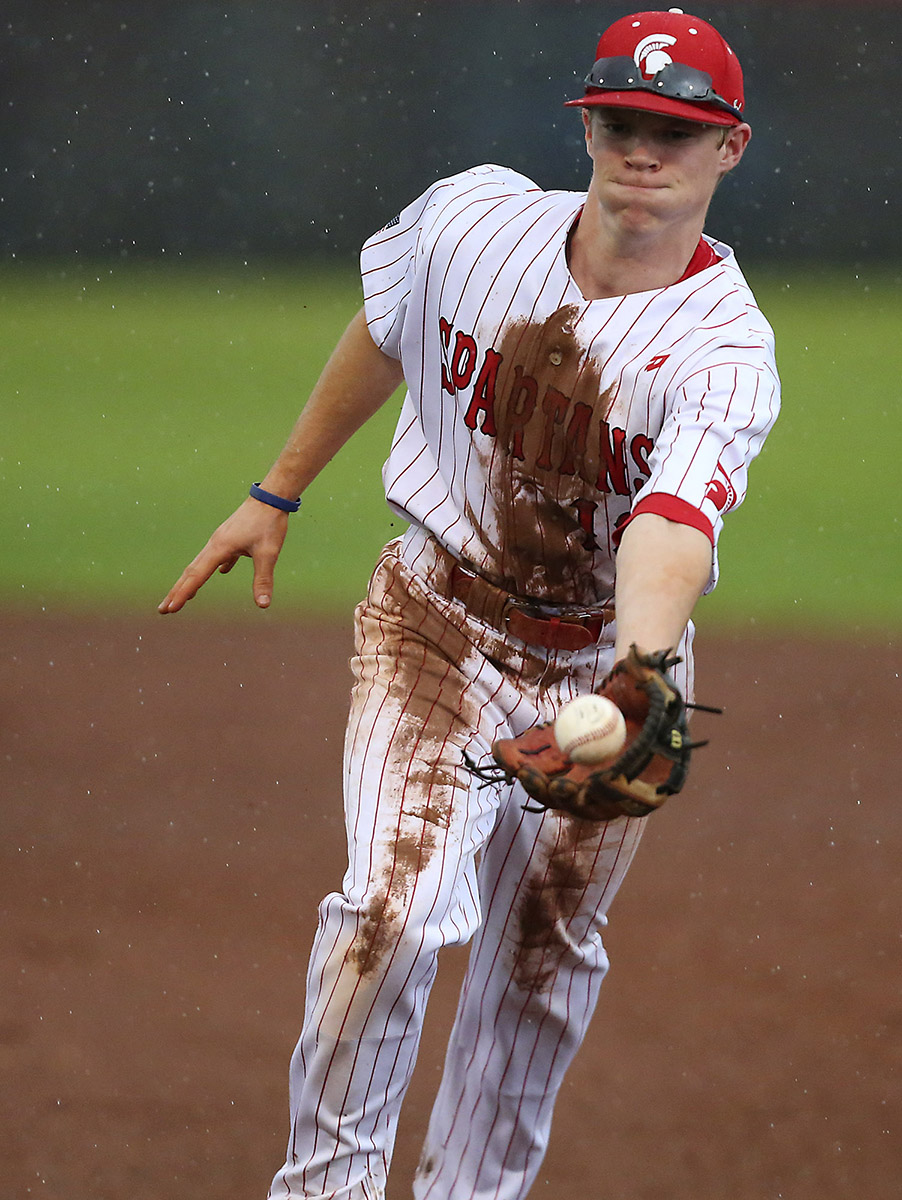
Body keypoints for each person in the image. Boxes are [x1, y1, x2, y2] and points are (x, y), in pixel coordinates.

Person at [159, 9, 780, 1199]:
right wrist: (274, 491)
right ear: (586, 126)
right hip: (435, 626)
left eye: (676, 129)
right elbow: (385, 329)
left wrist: (640, 669)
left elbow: (672, 523)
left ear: (727, 149)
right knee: (389, 915)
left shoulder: (721, 352)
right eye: (621, 122)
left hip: (605, 662)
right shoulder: (471, 220)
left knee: (539, 965)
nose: (643, 150)